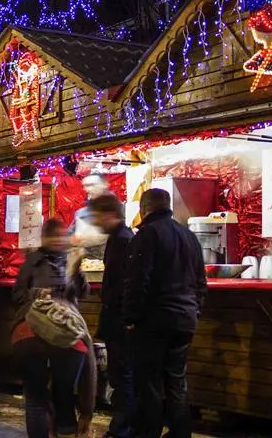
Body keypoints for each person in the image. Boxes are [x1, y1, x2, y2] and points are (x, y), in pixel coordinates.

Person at [124, 188, 207, 438]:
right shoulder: (189, 236)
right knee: (176, 381)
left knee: (149, 383)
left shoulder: (147, 235)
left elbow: (138, 280)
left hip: (155, 319)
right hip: (185, 319)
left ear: (144, 208)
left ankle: (148, 433)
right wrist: (195, 311)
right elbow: (201, 282)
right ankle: (181, 433)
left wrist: (130, 317)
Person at [12, 219, 90, 438]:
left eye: (61, 236)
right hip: (33, 327)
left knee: (64, 394)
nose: (57, 240)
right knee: (36, 398)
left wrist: (77, 270)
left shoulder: (71, 260)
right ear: (43, 238)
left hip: (65, 327)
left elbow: (83, 293)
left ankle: (64, 431)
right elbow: (17, 295)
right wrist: (37, 293)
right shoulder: (32, 261)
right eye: (52, 236)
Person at [89, 193, 135, 438]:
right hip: (118, 319)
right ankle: (123, 427)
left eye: (97, 216)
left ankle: (122, 429)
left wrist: (126, 318)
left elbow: (124, 284)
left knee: (122, 375)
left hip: (120, 321)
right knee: (121, 375)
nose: (95, 222)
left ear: (110, 214)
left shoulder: (123, 240)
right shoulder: (119, 239)